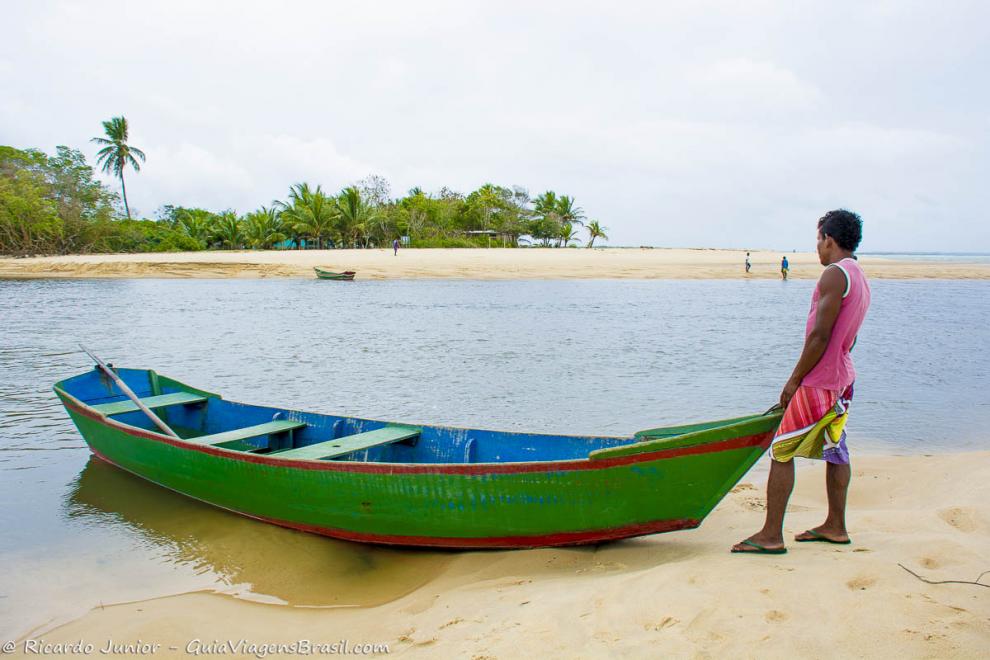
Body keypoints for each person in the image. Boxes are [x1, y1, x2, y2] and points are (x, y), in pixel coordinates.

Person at [732, 209, 871, 555]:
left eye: (819, 240)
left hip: (820, 381)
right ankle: (836, 526)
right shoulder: (859, 276)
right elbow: (848, 339)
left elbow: (820, 337)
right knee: (836, 450)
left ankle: (771, 534)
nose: (817, 248)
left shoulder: (835, 276)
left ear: (830, 239)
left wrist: (794, 380)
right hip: (843, 380)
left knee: (781, 450)